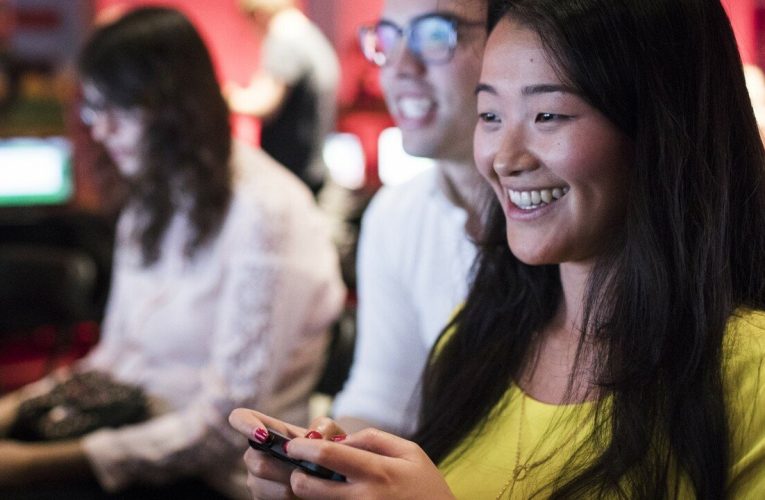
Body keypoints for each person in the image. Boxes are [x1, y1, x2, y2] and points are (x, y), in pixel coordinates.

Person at [230, 0, 765, 498]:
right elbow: (385, 403)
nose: (504, 159)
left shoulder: (747, 372)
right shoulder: (478, 332)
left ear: (660, 126)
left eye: (548, 116)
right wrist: (331, 468)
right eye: (490, 116)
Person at [0, 7, 344, 498]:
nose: (100, 130)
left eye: (114, 110)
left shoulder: (268, 212)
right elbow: (115, 360)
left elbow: (223, 431)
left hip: (223, 479)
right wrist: (11, 410)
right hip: (130, 437)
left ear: (172, 107)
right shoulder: (152, 200)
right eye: (94, 110)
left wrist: (31, 465)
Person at [331, 0, 490, 436]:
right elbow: (383, 400)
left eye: (435, 35)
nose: (399, 67)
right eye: (387, 39)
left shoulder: (570, 208)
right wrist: (321, 457)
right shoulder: (396, 213)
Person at [225, 0, 339, 194]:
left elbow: (265, 103)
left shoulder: (284, 37)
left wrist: (225, 98)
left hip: (292, 172)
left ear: (258, 15)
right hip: (311, 167)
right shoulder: (308, 33)